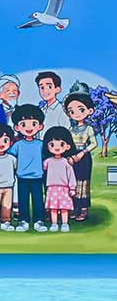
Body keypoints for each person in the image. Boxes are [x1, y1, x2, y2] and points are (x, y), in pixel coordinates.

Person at [9, 104, 47, 232]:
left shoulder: (41, 144)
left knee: (38, 200)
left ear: (40, 126)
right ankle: (23, 220)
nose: (29, 128)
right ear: (17, 127)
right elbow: (10, 157)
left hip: (37, 177)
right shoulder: (17, 145)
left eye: (33, 123)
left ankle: (39, 220)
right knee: (23, 200)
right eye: (23, 124)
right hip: (22, 177)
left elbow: (46, 157)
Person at [64, 84, 98, 221]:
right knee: (73, 182)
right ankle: (75, 207)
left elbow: (94, 144)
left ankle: (83, 210)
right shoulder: (71, 129)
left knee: (83, 183)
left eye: (80, 109)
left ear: (89, 111)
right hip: (73, 157)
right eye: (71, 111)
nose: (76, 114)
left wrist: (82, 153)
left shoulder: (88, 128)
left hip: (84, 158)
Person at [42, 126, 77, 233]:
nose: (56, 148)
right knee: (53, 208)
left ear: (67, 146)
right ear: (47, 146)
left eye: (61, 144)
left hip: (64, 189)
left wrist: (72, 188)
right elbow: (44, 168)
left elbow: (71, 176)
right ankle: (54, 223)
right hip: (52, 188)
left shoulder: (66, 162)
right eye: (52, 145)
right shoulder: (48, 161)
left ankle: (65, 224)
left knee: (64, 208)